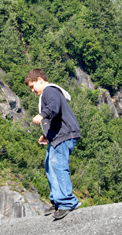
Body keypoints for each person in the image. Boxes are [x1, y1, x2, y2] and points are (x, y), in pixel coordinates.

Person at [25, 68, 80, 220]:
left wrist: (42, 114)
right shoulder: (47, 92)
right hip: (57, 137)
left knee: (58, 165)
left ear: (40, 80)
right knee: (50, 165)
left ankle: (67, 202)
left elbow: (54, 106)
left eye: (32, 86)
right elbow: (55, 118)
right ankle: (57, 200)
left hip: (64, 136)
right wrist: (46, 135)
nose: (32, 90)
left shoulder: (50, 91)